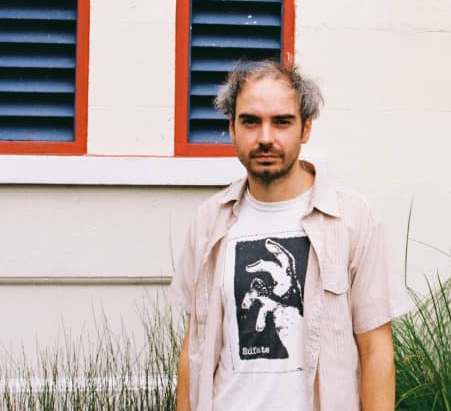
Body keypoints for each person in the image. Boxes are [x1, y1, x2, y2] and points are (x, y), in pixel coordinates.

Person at [168, 60, 412, 411]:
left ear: (306, 128)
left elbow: (376, 349)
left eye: (281, 122)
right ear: (232, 129)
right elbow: (194, 345)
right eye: (251, 121)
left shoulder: (353, 219)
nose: (265, 137)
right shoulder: (210, 221)